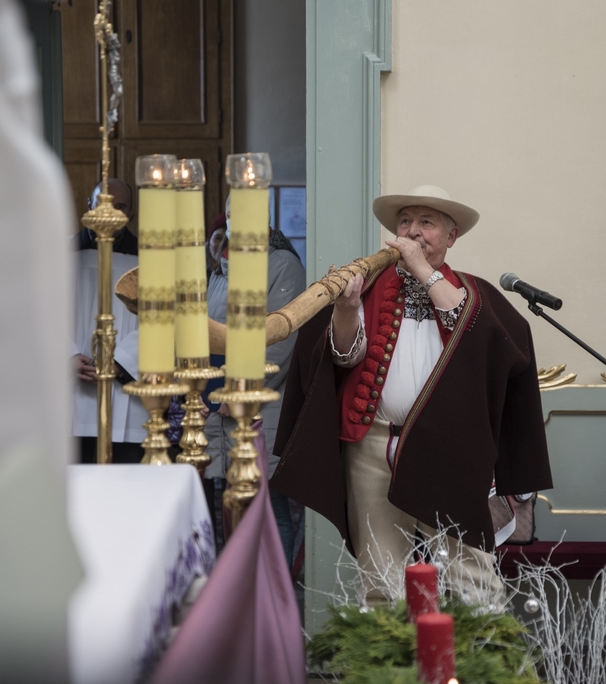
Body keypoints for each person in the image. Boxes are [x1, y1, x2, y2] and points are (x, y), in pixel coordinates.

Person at [271, 185, 552, 603]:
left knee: (470, 579)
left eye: (426, 222)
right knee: (381, 580)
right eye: (405, 221)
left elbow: (473, 334)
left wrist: (422, 269)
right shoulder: (369, 287)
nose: (413, 231)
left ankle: (478, 647)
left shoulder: (474, 295)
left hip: (449, 451)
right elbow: (344, 358)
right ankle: (389, 646)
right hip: (371, 445)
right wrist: (345, 309)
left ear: (451, 237)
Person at [203, 195, 307, 565]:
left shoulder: (282, 264)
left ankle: (274, 589)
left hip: (260, 403)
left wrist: (240, 390)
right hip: (217, 401)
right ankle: (237, 584)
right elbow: (210, 330)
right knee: (231, 503)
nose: (238, 220)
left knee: (269, 506)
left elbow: (280, 339)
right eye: (232, 213)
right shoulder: (222, 265)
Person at [71, 179, 148, 464]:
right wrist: (65, 355)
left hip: (125, 386)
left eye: (120, 206)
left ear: (131, 212)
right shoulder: (60, 253)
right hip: (69, 389)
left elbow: (160, 321)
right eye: (103, 204)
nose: (111, 213)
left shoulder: (148, 257)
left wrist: (120, 362)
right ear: (89, 205)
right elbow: (40, 312)